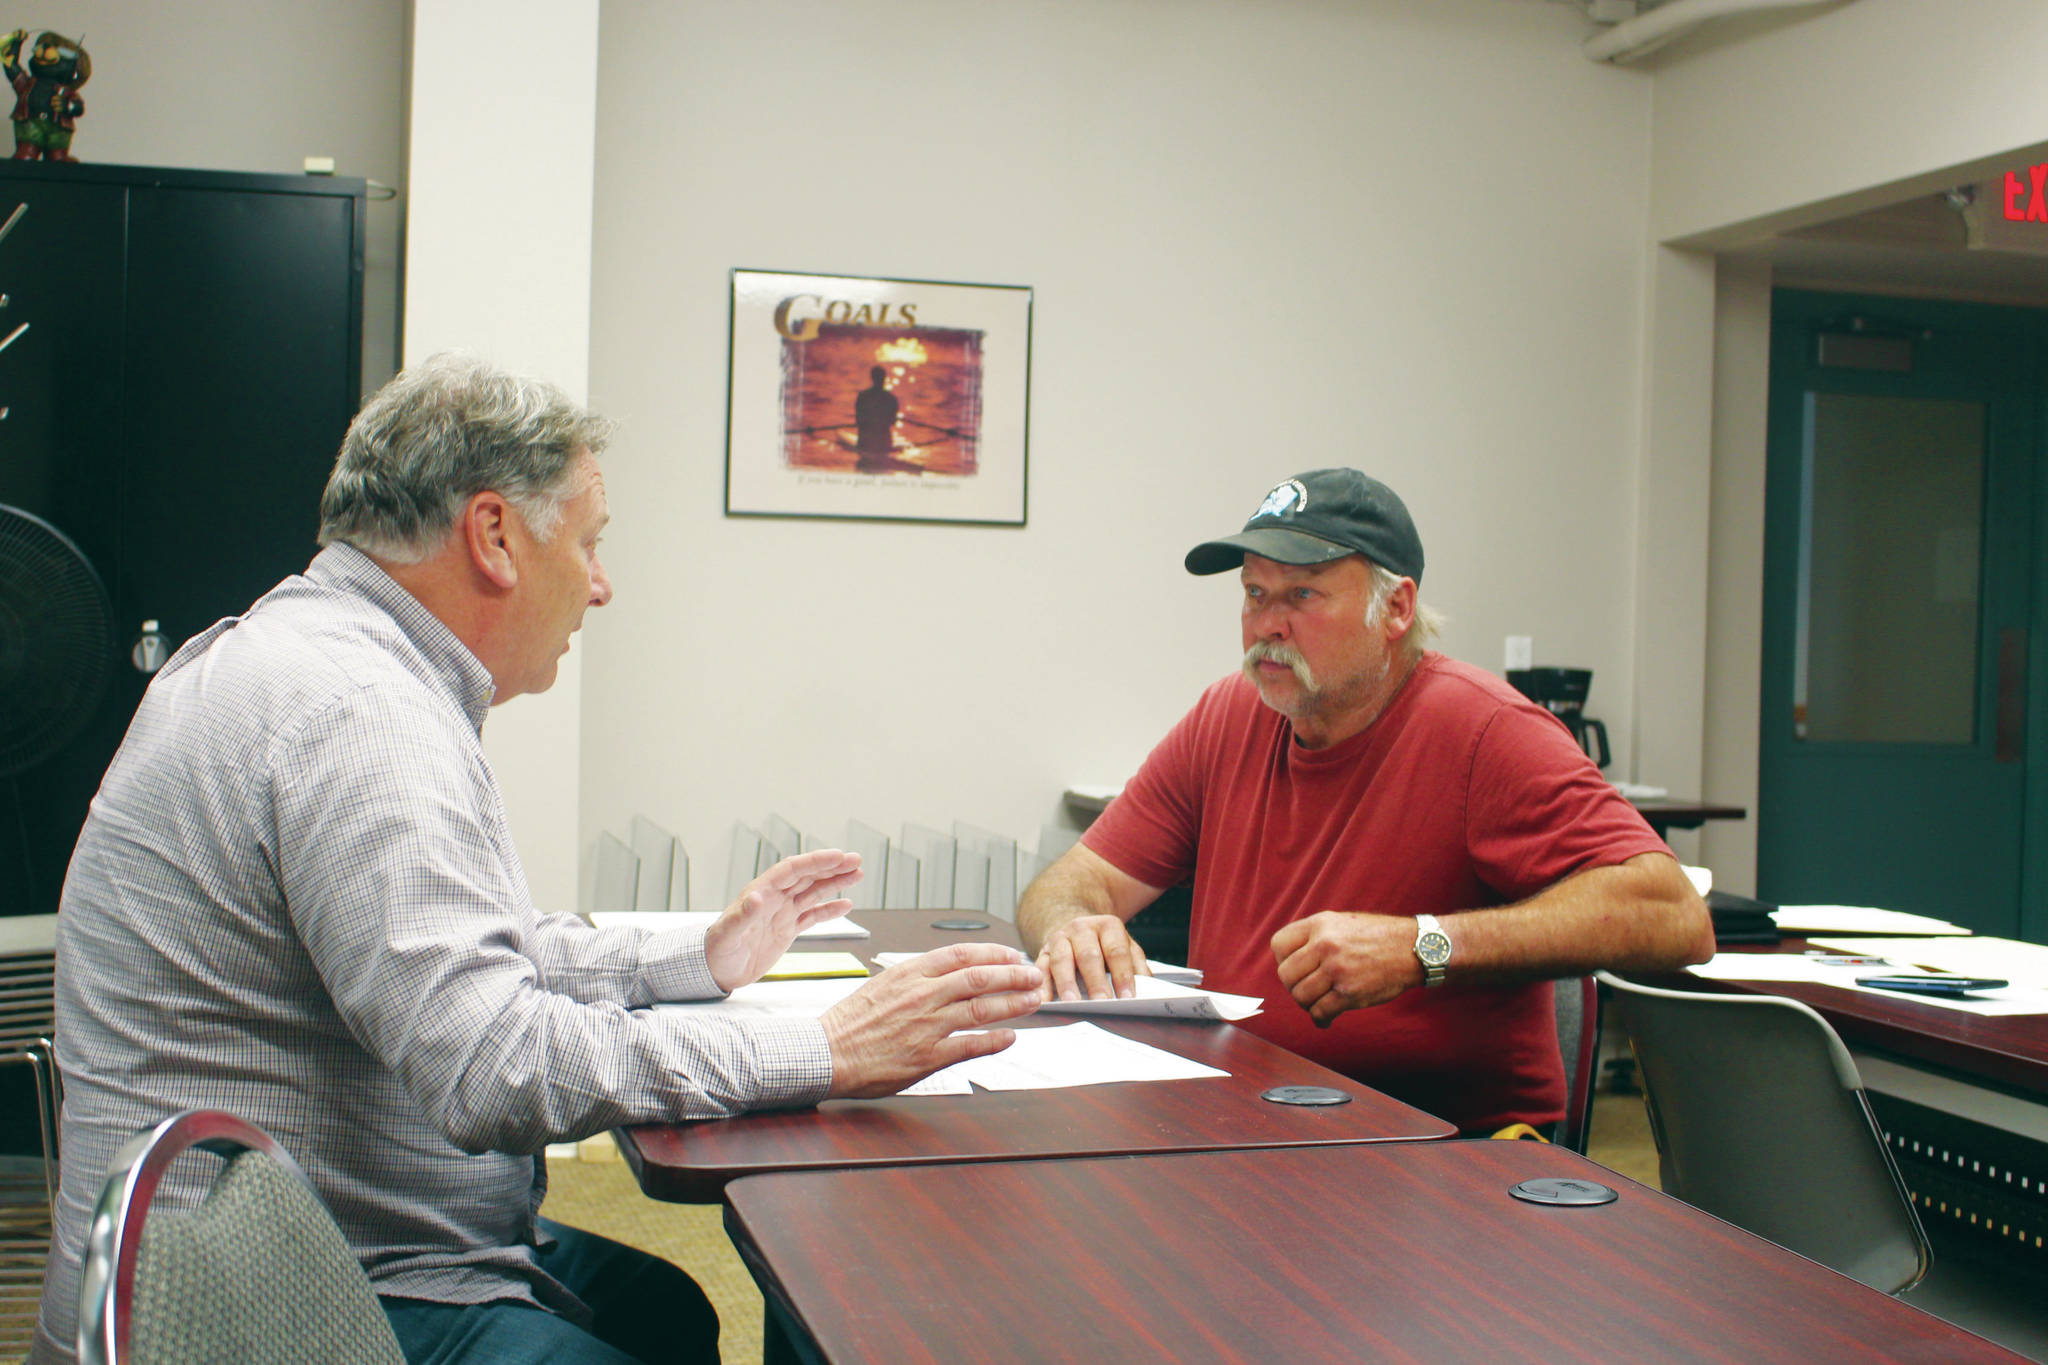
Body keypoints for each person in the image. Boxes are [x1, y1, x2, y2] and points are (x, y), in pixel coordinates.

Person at [33, 353, 1044, 1365]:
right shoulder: (361, 717)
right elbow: (493, 1065)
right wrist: (822, 1052)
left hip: (307, 1244)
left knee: (669, 1318)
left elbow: (467, 956)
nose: (600, 588)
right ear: (495, 536)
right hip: (271, 1305)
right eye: (590, 544)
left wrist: (701, 960)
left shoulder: (313, 659)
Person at [1017, 467, 1713, 1137]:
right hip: (1249, 1121)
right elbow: (1067, 883)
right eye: (1255, 594)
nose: (1269, 625)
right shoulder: (1229, 715)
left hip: (1438, 1158)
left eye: (1303, 596)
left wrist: (1424, 945)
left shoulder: (1483, 730)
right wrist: (1072, 923)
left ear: (1397, 608)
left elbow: (1674, 913)